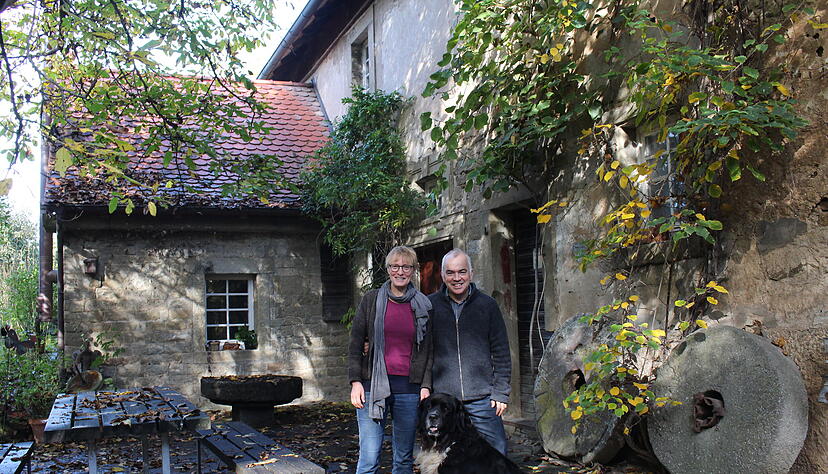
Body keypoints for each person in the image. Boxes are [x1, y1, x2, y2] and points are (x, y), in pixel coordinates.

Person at [348, 245, 433, 474]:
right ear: (388, 269)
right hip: (371, 387)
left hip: (409, 389)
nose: (400, 271)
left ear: (414, 270)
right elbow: (356, 342)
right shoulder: (371, 300)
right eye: (395, 266)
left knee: (403, 459)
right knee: (369, 457)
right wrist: (355, 381)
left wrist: (425, 385)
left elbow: (428, 349)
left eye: (406, 266)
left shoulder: (423, 305)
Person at [428, 248, 511, 455]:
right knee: (447, 457)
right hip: (444, 400)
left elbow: (501, 351)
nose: (457, 278)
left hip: (482, 398)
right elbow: (419, 350)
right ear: (443, 274)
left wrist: (500, 392)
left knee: (496, 451)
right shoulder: (429, 306)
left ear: (471, 274)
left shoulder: (487, 305)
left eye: (462, 271)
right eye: (451, 272)